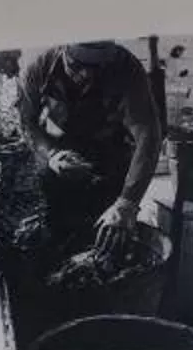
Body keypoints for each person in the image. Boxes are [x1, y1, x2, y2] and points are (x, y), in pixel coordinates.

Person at [12, 40, 161, 272]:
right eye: (79, 65)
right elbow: (27, 122)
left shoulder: (127, 68)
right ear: (64, 51)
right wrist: (51, 155)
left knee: (110, 233)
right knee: (60, 227)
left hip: (109, 152)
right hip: (58, 153)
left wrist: (127, 203)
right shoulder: (39, 66)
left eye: (97, 67)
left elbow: (148, 135)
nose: (87, 74)